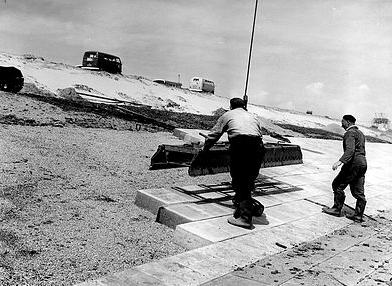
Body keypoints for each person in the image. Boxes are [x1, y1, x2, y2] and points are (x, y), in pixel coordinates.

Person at [201, 97, 264, 229]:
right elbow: (258, 134)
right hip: (258, 148)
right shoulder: (252, 116)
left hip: (241, 146)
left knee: (240, 181)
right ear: (244, 106)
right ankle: (244, 207)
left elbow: (214, 135)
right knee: (248, 180)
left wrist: (205, 149)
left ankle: (245, 219)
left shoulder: (228, 115)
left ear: (231, 106)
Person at [323, 114, 367, 222]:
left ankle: (336, 209)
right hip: (363, 163)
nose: (341, 124)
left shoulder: (349, 133)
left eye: (342, 121)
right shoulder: (360, 133)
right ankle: (358, 216)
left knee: (337, 185)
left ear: (347, 122)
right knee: (358, 192)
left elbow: (350, 150)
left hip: (353, 163)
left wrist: (340, 161)